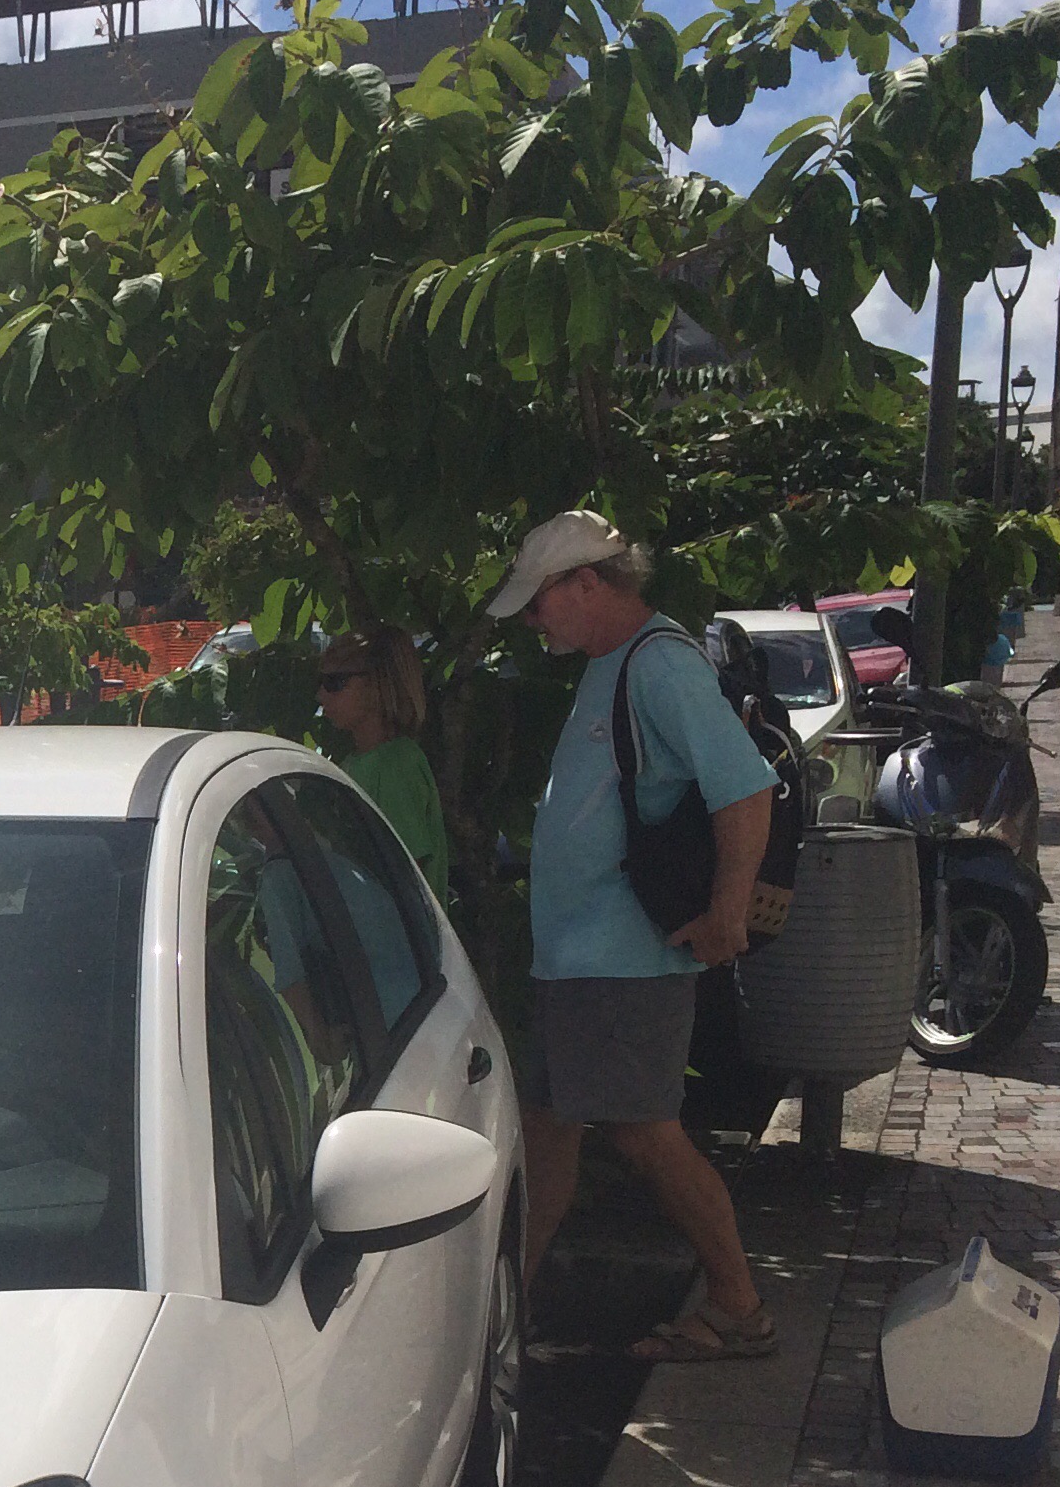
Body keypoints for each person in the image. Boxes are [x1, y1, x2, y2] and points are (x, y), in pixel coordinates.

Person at [492, 510, 779, 1364]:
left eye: (538, 602)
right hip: (582, 959)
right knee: (549, 1125)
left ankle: (738, 1307)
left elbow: (744, 787)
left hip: (623, 959)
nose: (533, 620)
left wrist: (728, 910)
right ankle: (503, 1313)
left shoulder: (659, 664)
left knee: (643, 1133)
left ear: (586, 583)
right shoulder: (612, 663)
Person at [315, 625, 455, 897]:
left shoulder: (396, 764)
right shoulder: (357, 761)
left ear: (378, 684)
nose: (320, 695)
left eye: (335, 683)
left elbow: (404, 877)